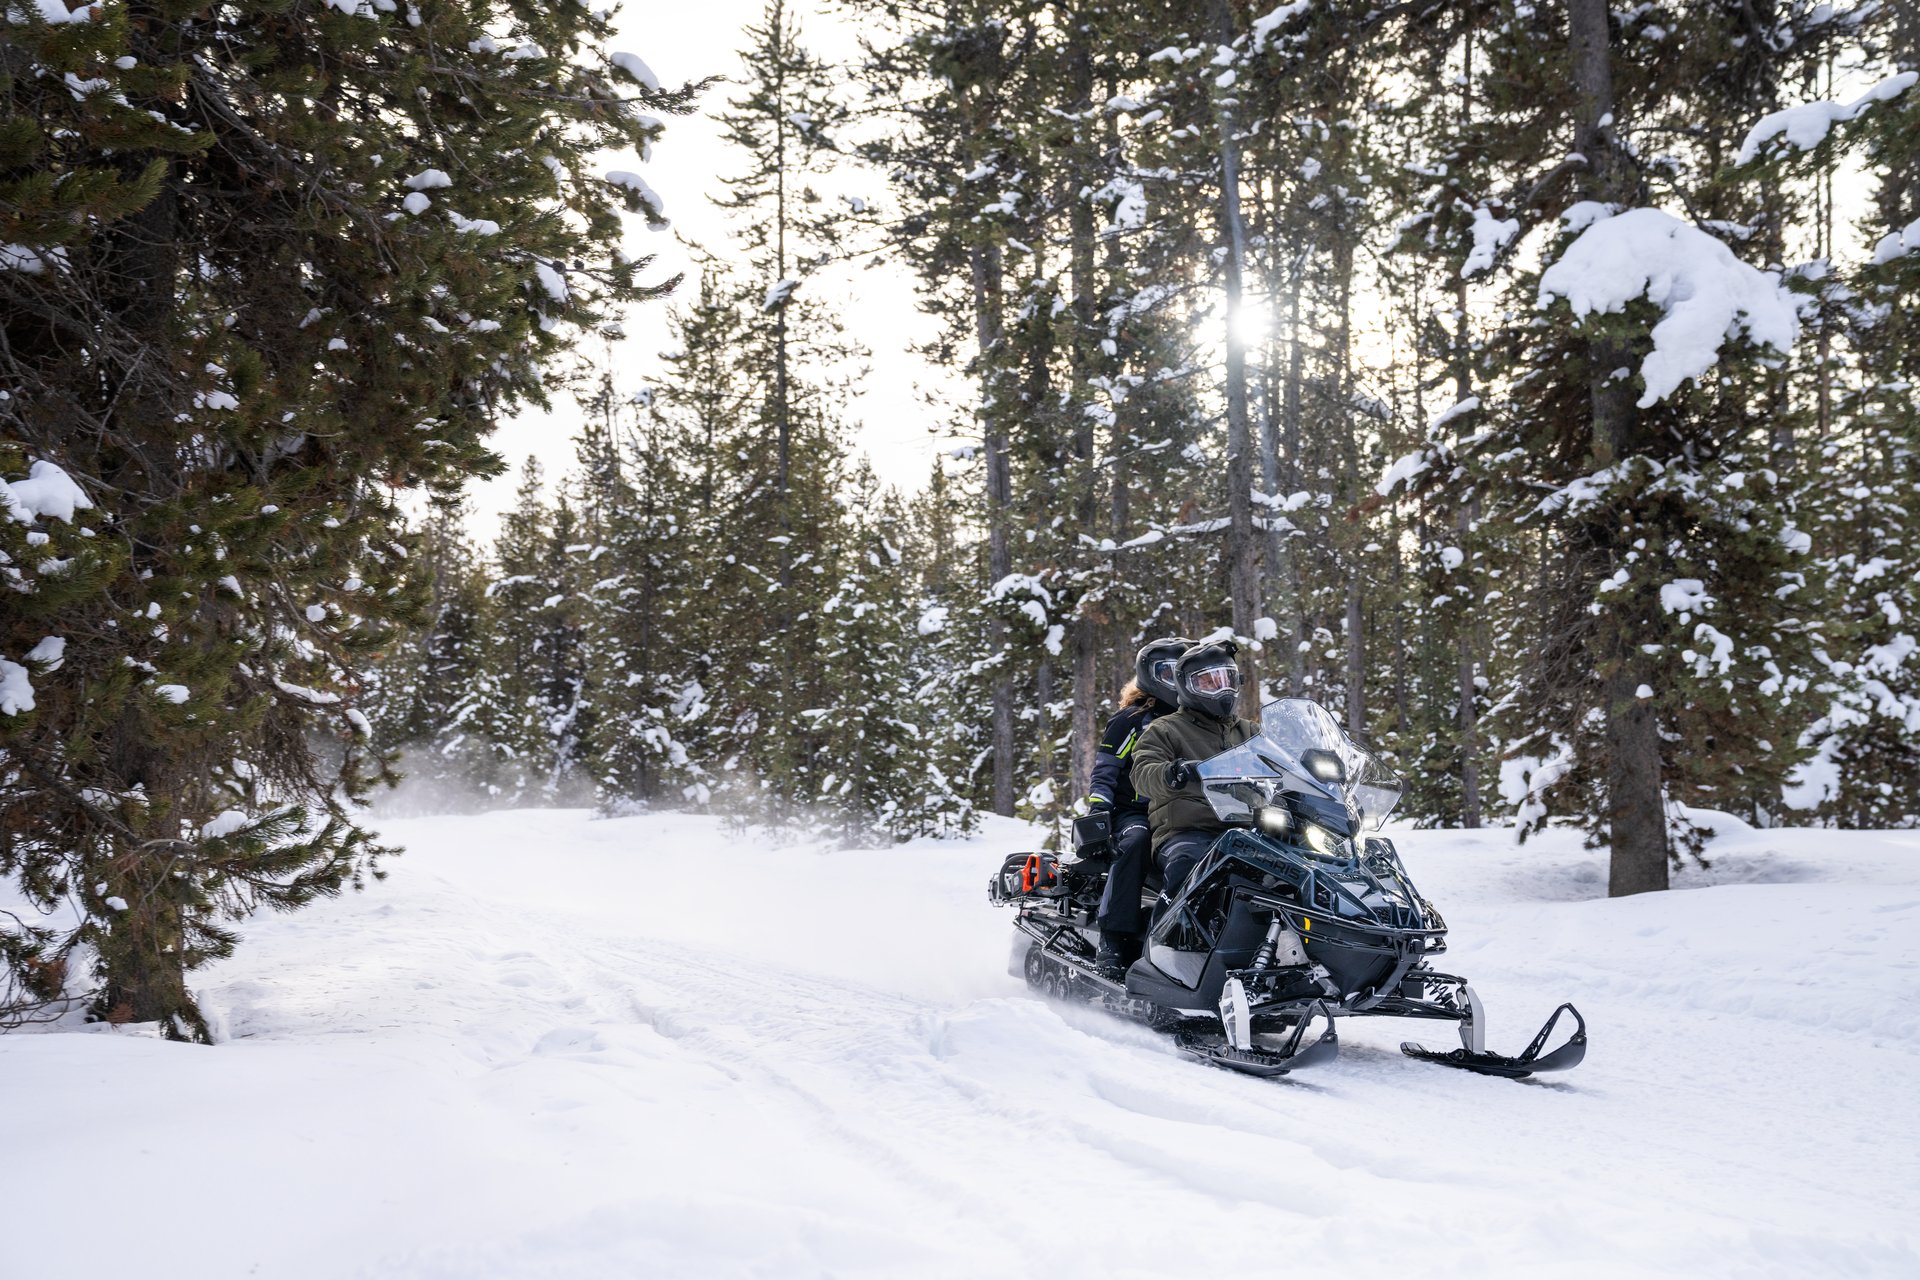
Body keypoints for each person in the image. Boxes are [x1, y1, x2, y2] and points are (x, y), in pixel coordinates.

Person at [1131, 639, 1262, 917]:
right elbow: (1142, 773)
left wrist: (1315, 766)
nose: (1221, 690)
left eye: (1227, 680)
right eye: (1208, 682)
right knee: (1189, 865)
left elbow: (1283, 762)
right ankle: (1163, 945)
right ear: (1185, 687)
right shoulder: (1164, 729)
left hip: (1250, 830)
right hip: (1188, 832)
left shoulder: (1251, 732)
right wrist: (1173, 771)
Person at [1088, 637, 1190, 974]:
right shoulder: (1131, 720)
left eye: (1182, 671)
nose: (1176, 680)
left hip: (1184, 812)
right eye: (1168, 672)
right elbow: (1105, 768)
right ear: (1149, 674)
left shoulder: (1199, 721)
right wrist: (1099, 808)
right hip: (1135, 812)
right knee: (1136, 842)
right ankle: (1113, 938)